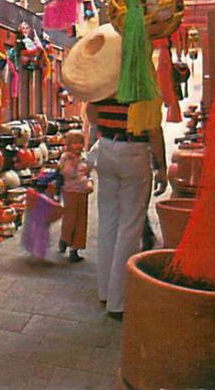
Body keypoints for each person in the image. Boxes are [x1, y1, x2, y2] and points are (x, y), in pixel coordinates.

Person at [86, 98, 167, 319]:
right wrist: (161, 167)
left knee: (108, 223)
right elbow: (153, 129)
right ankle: (118, 301)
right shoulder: (141, 83)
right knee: (130, 226)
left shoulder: (105, 80)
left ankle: (105, 290)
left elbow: (91, 114)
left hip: (106, 149)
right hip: (133, 151)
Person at [57, 129, 94, 262]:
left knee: (81, 221)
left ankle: (75, 248)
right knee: (70, 219)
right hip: (70, 192)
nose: (78, 146)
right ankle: (65, 239)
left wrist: (90, 183)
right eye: (74, 143)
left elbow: (87, 173)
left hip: (82, 192)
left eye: (80, 143)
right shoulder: (65, 158)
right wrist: (73, 162)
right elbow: (68, 173)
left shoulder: (84, 157)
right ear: (68, 144)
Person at [21, 170, 64, 260]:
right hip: (41, 222)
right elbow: (59, 209)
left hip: (34, 220)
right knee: (40, 237)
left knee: (34, 235)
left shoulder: (32, 195)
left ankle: (35, 254)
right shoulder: (44, 199)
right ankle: (38, 256)